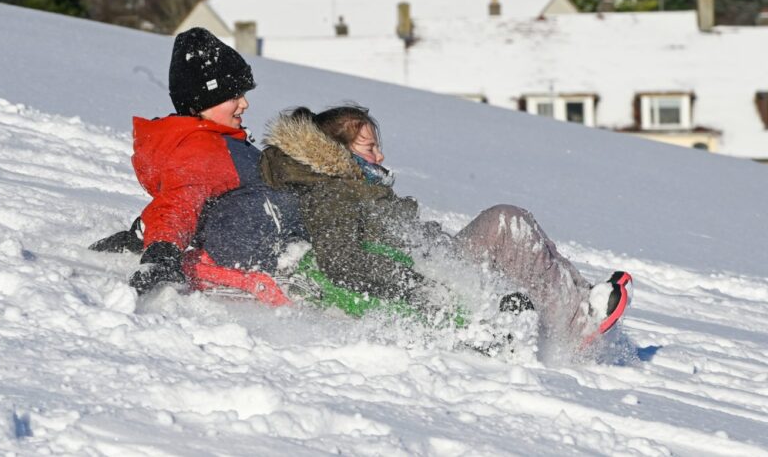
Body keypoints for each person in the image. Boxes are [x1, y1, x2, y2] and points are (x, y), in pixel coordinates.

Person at [193, 105, 632, 350]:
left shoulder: (348, 187)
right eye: (370, 148)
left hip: (431, 262)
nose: (380, 157)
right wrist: (417, 285)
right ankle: (577, 322)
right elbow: (342, 260)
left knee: (512, 230)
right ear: (339, 152)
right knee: (506, 222)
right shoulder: (334, 193)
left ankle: (577, 304)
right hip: (425, 273)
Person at [91, 27, 303, 295]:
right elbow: (180, 201)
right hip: (254, 269)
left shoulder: (223, 142)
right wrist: (162, 252)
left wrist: (139, 234)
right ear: (201, 101)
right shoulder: (204, 148)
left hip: (284, 253)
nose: (245, 103)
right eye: (234, 95)